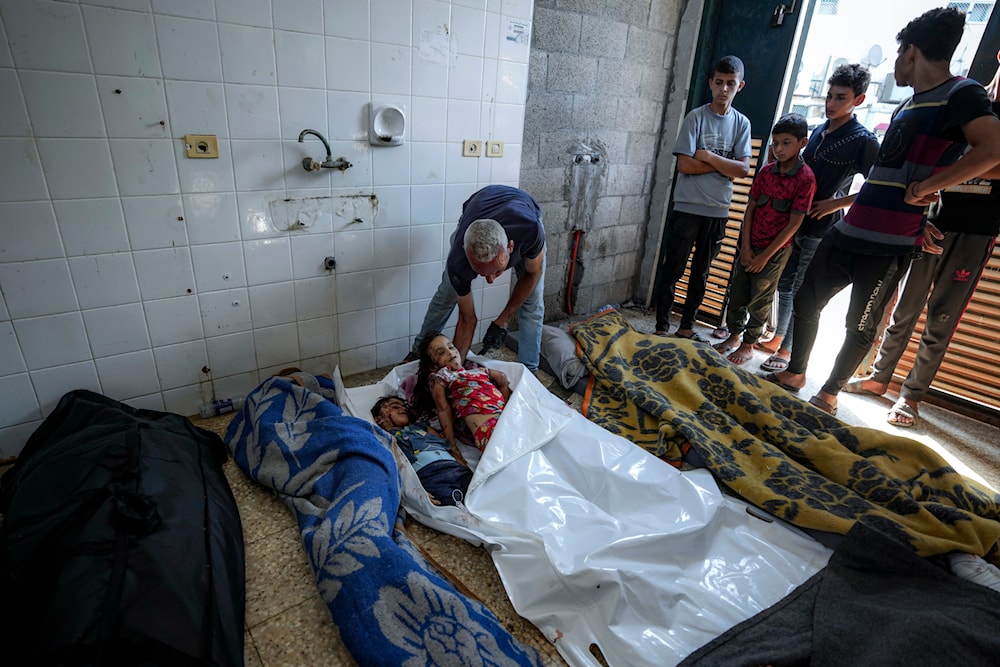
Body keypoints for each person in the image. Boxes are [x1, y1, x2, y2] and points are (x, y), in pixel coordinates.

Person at [768, 7, 1000, 416]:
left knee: (860, 324)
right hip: (851, 229)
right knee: (806, 300)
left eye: (898, 55)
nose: (896, 64)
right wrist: (929, 205)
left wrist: (929, 190)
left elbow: (992, 150)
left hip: (889, 242)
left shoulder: (962, 93)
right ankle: (796, 371)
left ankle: (830, 392)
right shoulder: (907, 105)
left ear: (910, 53)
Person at [843, 66, 1000, 428]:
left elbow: (993, 159)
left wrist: (973, 161)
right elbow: (929, 158)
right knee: (904, 307)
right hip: (931, 221)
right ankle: (879, 377)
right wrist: (923, 212)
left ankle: (911, 396)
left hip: (975, 233)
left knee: (942, 318)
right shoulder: (965, 98)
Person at [757, 64, 881, 374]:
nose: (831, 103)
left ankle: (788, 352)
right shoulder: (817, 131)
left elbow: (878, 186)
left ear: (859, 99)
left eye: (840, 97)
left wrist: (835, 203)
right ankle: (780, 336)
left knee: (803, 290)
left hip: (822, 224)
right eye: (829, 96)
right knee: (785, 284)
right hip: (795, 220)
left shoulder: (862, 139)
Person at [654, 55, 753, 341]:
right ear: (711, 83)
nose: (724, 89)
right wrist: (726, 164)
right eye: (719, 82)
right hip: (687, 208)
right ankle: (662, 326)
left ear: (740, 86)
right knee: (673, 269)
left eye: (730, 84)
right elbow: (684, 165)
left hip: (718, 211)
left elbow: (744, 169)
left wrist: (708, 156)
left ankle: (687, 326)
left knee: (701, 273)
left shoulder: (741, 124)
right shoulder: (695, 117)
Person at [713, 113, 816, 365]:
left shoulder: (805, 179)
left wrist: (764, 256)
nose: (779, 149)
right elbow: (750, 209)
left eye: (786, 143)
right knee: (737, 292)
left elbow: (794, 223)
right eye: (776, 143)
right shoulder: (767, 172)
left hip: (774, 251)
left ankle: (748, 345)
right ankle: (734, 336)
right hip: (750, 245)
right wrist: (745, 247)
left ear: (802, 142)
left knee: (760, 298)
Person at [408, 185, 546, 371]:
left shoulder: (530, 231)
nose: (490, 280)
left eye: (497, 271)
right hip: (477, 211)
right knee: (447, 294)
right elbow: (467, 319)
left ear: (511, 248)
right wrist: (456, 371)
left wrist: (503, 319)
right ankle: (418, 354)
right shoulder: (459, 259)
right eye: (482, 274)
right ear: (467, 253)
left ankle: (529, 371)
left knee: (532, 304)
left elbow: (533, 273)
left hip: (522, 211)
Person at [412, 331, 511, 452]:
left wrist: (507, 407)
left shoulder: (477, 371)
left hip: (506, 418)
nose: (450, 352)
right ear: (433, 367)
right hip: (488, 428)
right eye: (441, 353)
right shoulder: (442, 377)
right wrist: (452, 446)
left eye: (451, 347)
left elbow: (501, 377)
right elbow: (443, 410)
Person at [371, 395, 473, 506]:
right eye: (395, 407)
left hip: (458, 470)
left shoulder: (423, 427)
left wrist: (468, 471)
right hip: (430, 476)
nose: (403, 409)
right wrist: (415, 489)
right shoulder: (385, 438)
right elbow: (393, 466)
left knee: (483, 495)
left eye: (404, 407)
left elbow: (449, 450)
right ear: (379, 419)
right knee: (452, 505)